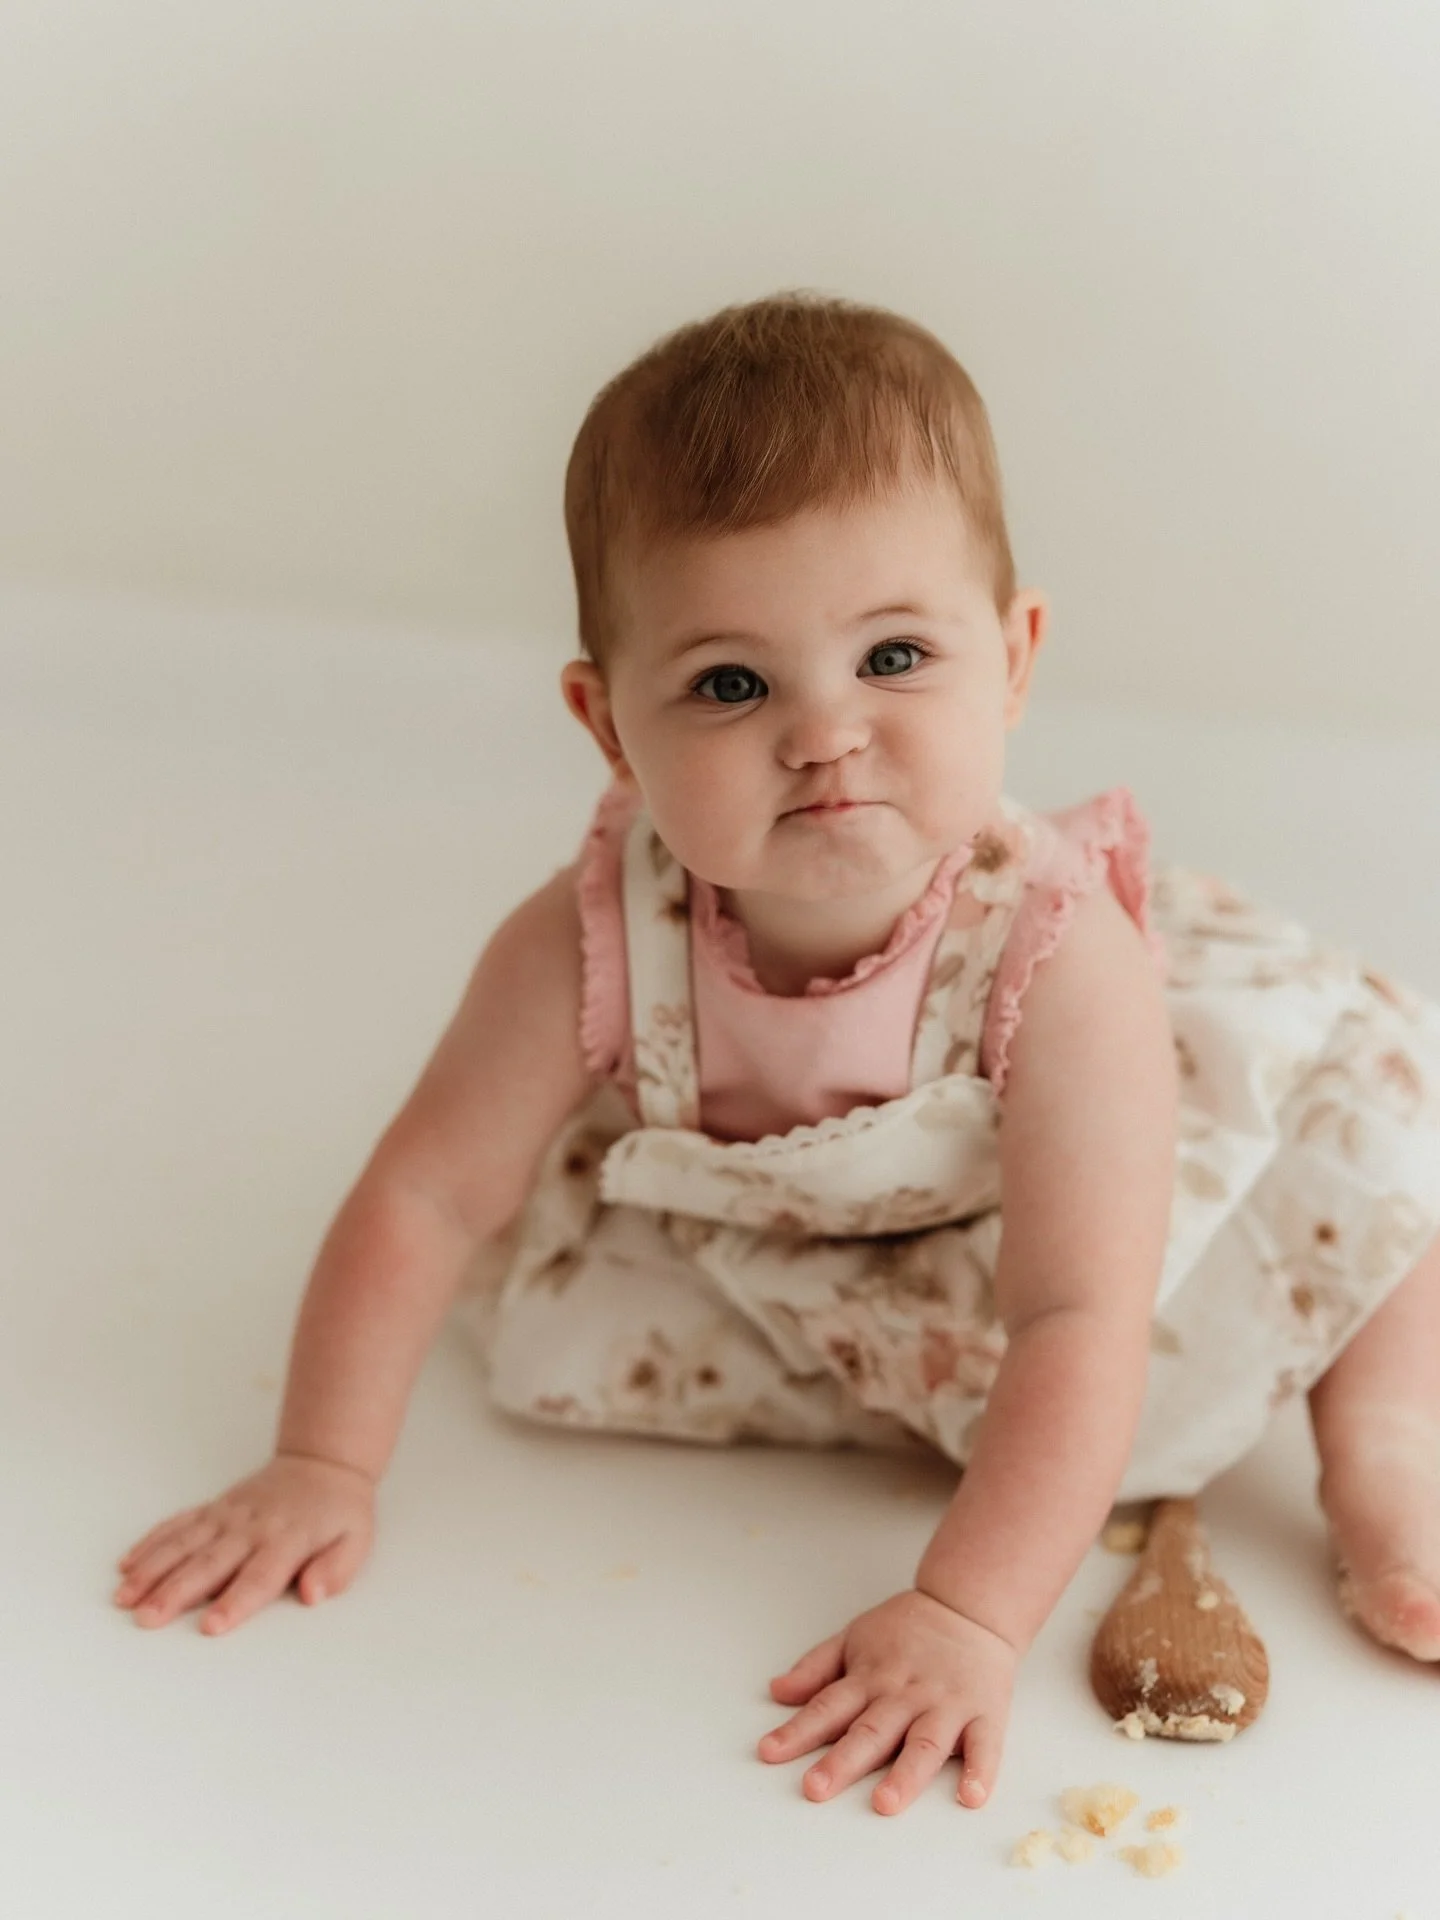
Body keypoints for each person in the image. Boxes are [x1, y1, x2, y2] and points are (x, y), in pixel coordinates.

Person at [113, 292, 1440, 1819]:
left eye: (892, 654)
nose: (825, 734)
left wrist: (965, 1613)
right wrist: (320, 1464)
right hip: (798, 1249)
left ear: (1011, 660)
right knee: (581, 1341)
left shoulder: (1066, 959)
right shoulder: (593, 936)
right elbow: (427, 1195)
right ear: (609, 727)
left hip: (1086, 1213)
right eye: (732, 685)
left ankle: (1389, 1450)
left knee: (1358, 1172)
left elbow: (1080, 1310)